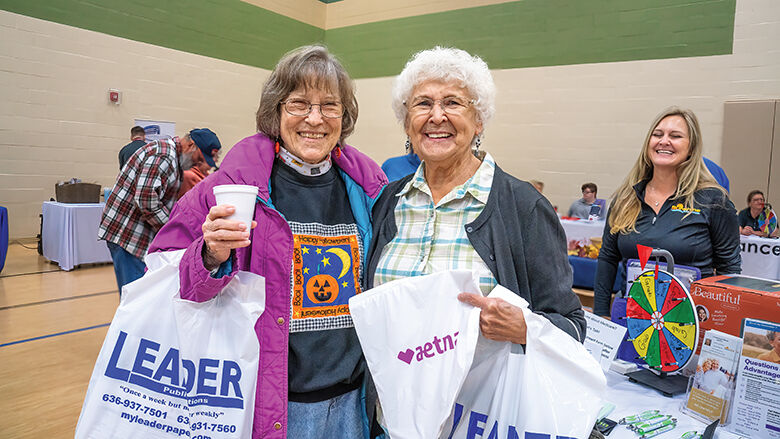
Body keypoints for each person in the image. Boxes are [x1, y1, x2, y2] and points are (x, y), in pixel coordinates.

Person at [149, 45, 387, 438]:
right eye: (299, 104)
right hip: (272, 404)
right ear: (276, 111)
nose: (314, 118)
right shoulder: (230, 187)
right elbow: (160, 271)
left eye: (329, 106)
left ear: (343, 117)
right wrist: (209, 255)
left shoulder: (368, 188)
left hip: (353, 402)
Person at [367, 47, 586, 351]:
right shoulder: (388, 202)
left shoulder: (523, 207)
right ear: (407, 123)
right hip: (388, 396)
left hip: (482, 398)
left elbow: (573, 325)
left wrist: (525, 328)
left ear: (479, 120)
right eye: (423, 104)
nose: (437, 115)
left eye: (453, 103)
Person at [593, 107, 741, 317]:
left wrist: (720, 324)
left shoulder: (714, 200)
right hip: (630, 315)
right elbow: (608, 257)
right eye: (657, 134)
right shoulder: (625, 199)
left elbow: (729, 269)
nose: (664, 141)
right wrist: (600, 314)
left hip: (687, 321)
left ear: (691, 148)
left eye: (676, 136)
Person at [98, 132, 203, 294]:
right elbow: (146, 201)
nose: (197, 165)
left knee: (141, 294)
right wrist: (172, 229)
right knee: (136, 297)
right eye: (198, 159)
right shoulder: (164, 155)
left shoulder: (174, 159)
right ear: (190, 146)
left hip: (136, 234)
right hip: (127, 234)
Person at [176, 128, 222, 198]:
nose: (198, 161)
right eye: (200, 158)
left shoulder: (205, 176)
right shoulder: (189, 176)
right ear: (191, 145)